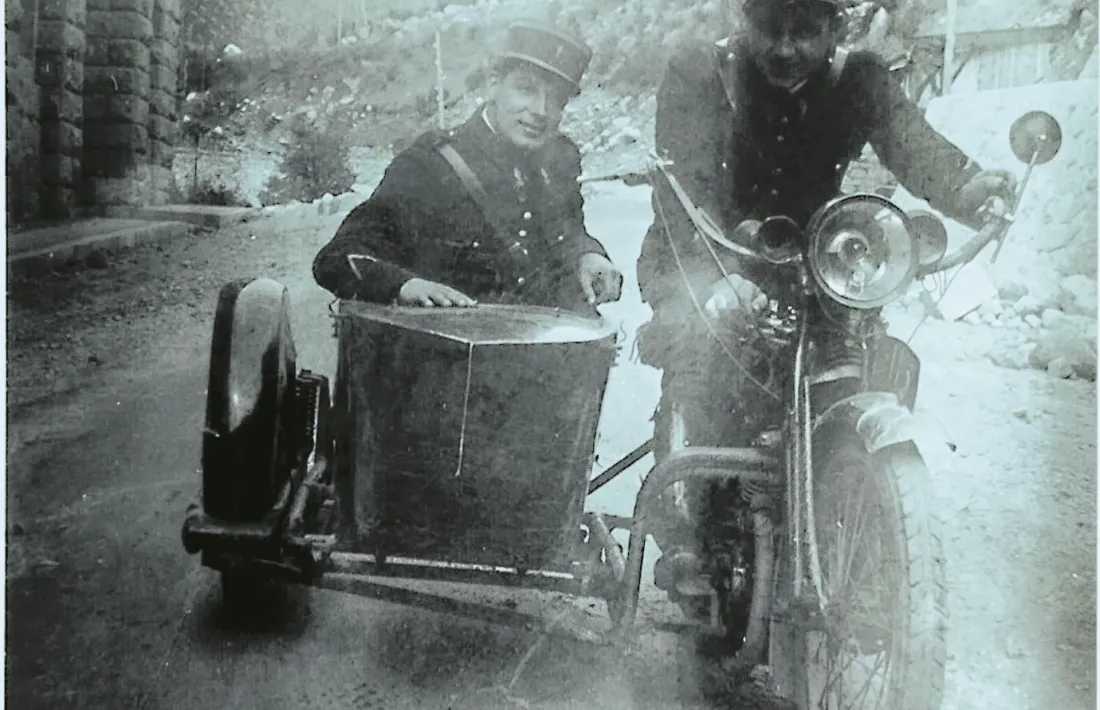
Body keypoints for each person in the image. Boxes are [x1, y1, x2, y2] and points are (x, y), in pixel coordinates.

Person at [635, 0, 1018, 599]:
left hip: (814, 259)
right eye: (770, 29)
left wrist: (970, 187)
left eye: (805, 31)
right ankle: (688, 535)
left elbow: (910, 141)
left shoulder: (858, 77)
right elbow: (686, 185)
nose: (786, 48)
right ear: (744, 21)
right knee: (704, 344)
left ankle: (855, 518)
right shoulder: (699, 72)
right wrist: (721, 277)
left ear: (835, 29)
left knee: (864, 355)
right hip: (700, 251)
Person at [313, 20, 622, 313]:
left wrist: (587, 255)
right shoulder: (430, 165)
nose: (541, 110)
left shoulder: (559, 160)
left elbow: (567, 232)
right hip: (454, 346)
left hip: (544, 340)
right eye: (526, 89)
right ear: (494, 84)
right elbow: (337, 257)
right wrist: (403, 285)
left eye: (556, 99)